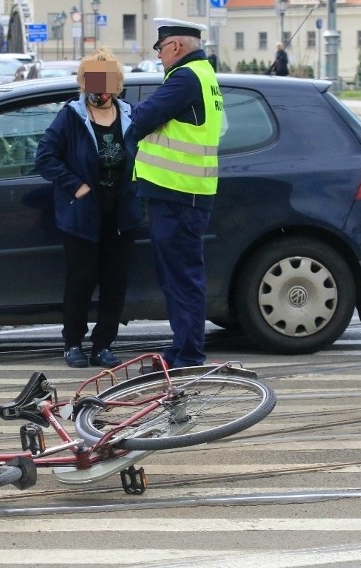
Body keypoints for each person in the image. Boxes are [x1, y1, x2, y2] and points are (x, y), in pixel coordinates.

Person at [34, 47, 142, 369]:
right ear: (84, 82)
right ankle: (73, 343)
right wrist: (76, 186)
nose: (101, 89)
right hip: (82, 216)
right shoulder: (71, 116)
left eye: (107, 80)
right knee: (81, 279)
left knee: (115, 281)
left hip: (121, 215)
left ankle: (103, 344)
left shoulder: (130, 115)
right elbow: (45, 158)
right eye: (94, 81)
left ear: (117, 82)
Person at [130, 18, 224, 369]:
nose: (158, 56)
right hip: (185, 193)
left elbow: (142, 118)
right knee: (181, 275)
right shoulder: (204, 75)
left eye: (160, 48)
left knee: (181, 277)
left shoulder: (185, 78)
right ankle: (183, 349)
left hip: (179, 194)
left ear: (175, 46)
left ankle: (187, 354)